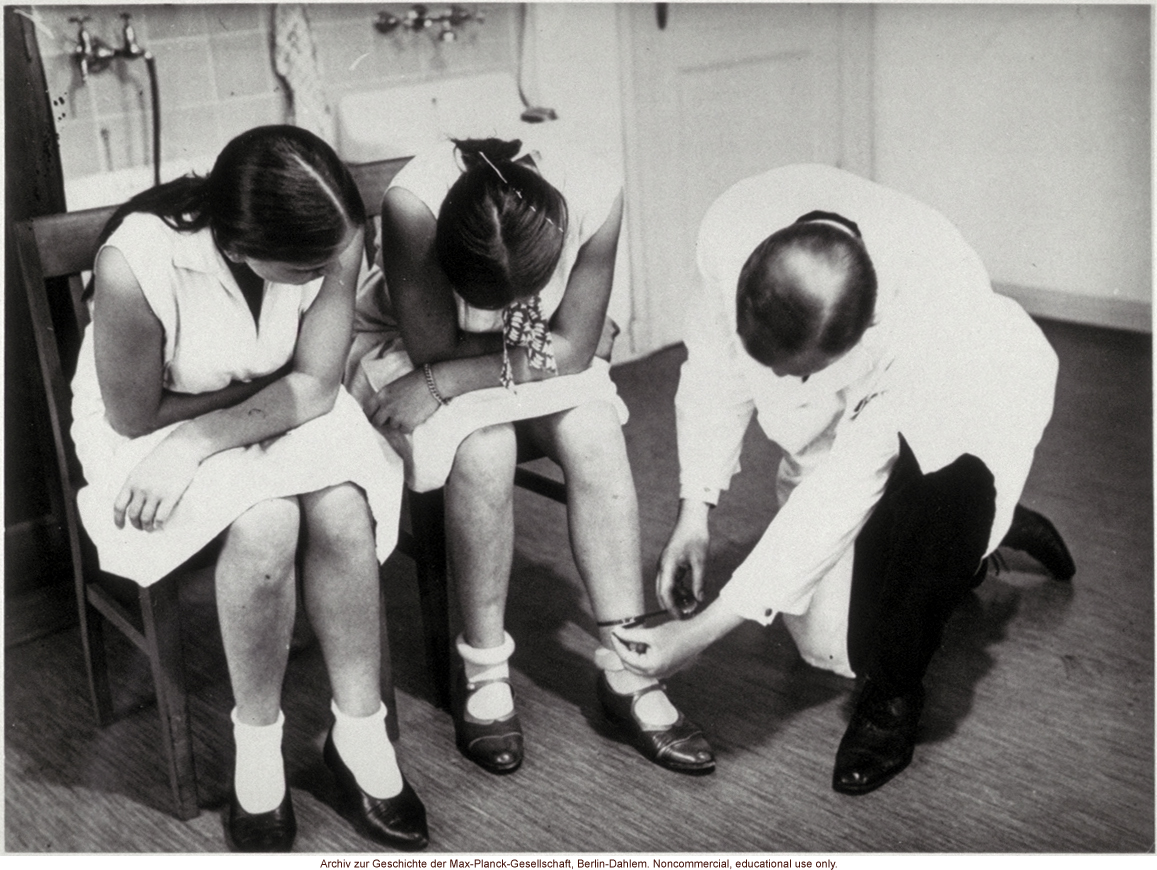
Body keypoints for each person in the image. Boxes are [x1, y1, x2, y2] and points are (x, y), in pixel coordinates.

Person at [612, 163, 1075, 795]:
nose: (790, 388)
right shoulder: (736, 227)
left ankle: (902, 682)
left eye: (804, 373)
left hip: (965, 411)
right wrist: (696, 509)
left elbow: (843, 491)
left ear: (863, 329)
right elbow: (713, 371)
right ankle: (973, 541)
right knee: (832, 650)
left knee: (939, 510)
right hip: (847, 425)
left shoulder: (929, 305)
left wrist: (699, 635)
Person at [71, 126, 429, 851]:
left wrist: (209, 433)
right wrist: (259, 399)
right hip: (144, 432)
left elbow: (317, 384)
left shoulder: (335, 230)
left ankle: (359, 736)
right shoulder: (135, 260)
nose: (332, 276)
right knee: (265, 522)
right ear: (237, 248)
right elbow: (135, 413)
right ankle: (257, 745)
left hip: (233, 415)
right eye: (308, 271)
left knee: (341, 506)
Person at [347, 131, 714, 776]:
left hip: (489, 359)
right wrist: (443, 374)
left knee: (593, 428)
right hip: (410, 345)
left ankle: (628, 665)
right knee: (483, 445)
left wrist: (453, 378)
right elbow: (435, 343)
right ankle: (484, 669)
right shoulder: (413, 205)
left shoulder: (596, 189)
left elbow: (572, 351)